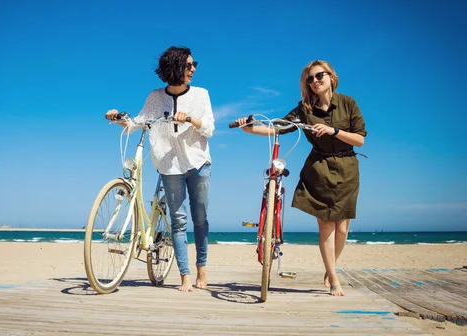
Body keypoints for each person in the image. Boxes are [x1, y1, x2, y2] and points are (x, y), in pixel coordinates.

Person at [235, 59, 367, 297]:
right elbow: (278, 127)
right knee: (326, 226)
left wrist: (333, 130)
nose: (315, 81)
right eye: (310, 78)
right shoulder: (304, 109)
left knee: (343, 229)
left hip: (348, 169)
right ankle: (334, 279)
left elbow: (360, 139)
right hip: (319, 170)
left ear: (331, 77)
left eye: (319, 76)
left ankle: (330, 268)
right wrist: (250, 128)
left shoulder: (348, 103)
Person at [105, 46, 215, 292]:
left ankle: (202, 269)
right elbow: (137, 123)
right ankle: (185, 276)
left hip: (198, 162)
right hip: (169, 164)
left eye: (193, 64)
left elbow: (209, 128)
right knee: (178, 221)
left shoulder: (200, 94)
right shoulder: (155, 97)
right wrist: (117, 118)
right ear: (175, 68)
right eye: (188, 65)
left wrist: (190, 119)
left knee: (200, 219)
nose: (193, 69)